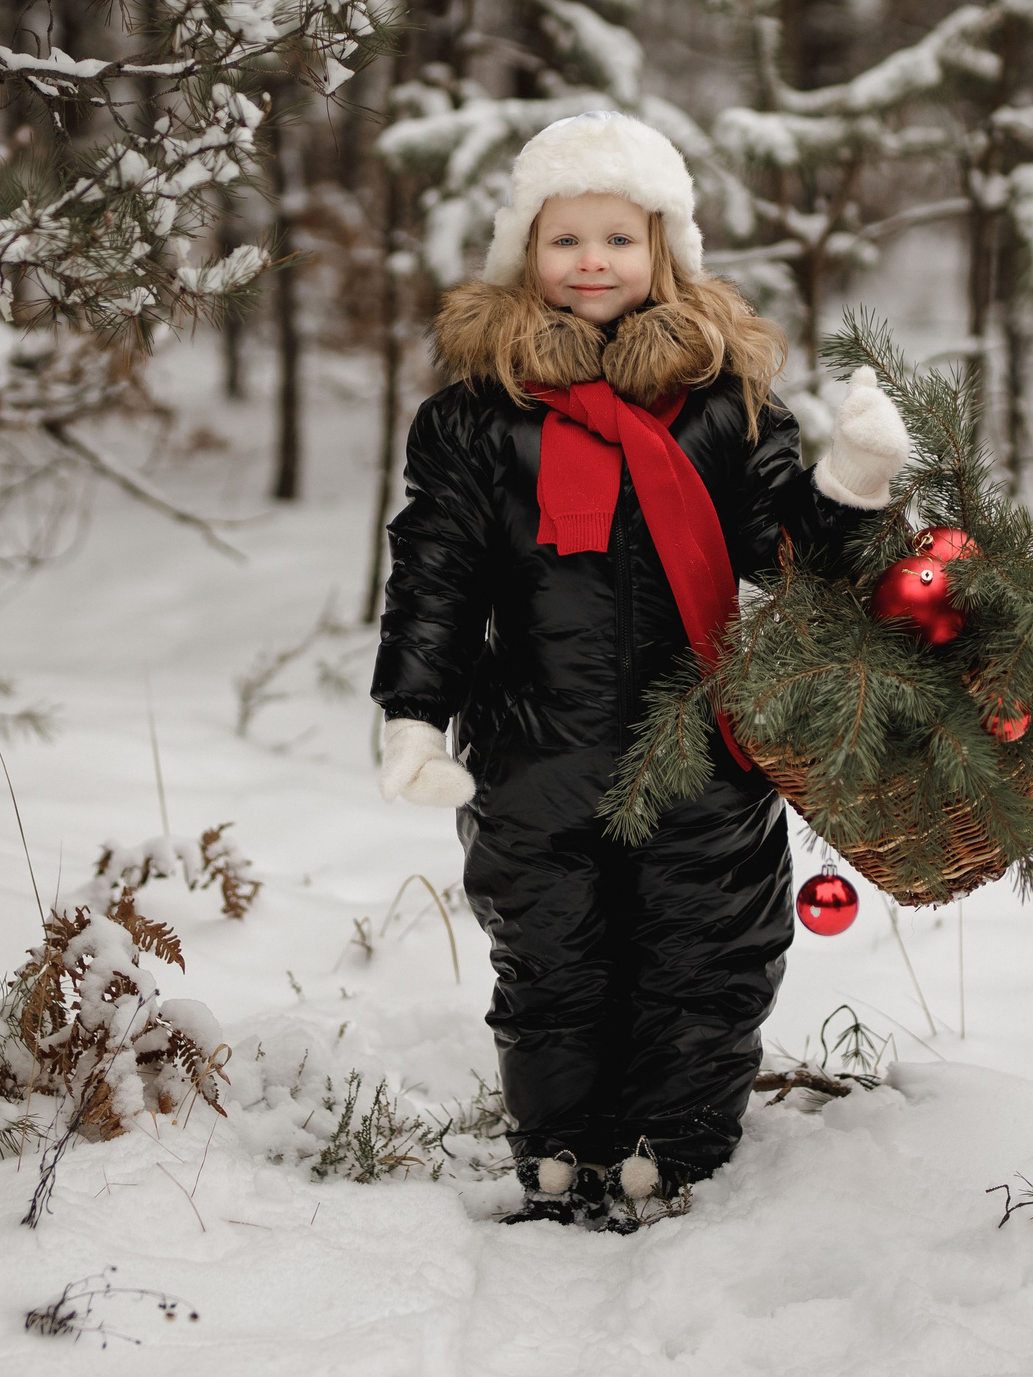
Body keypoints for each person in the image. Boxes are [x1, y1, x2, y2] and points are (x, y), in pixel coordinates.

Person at [368, 111, 910, 1230]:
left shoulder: (726, 404)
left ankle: (677, 1144)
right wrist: (415, 711)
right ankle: (560, 1145)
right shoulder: (475, 417)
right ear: (527, 251)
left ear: (663, 250)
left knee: (705, 948)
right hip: (534, 744)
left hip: (698, 736)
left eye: (618, 238)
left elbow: (785, 555)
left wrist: (851, 483)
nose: (592, 261)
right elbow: (436, 569)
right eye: (565, 239)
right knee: (549, 951)